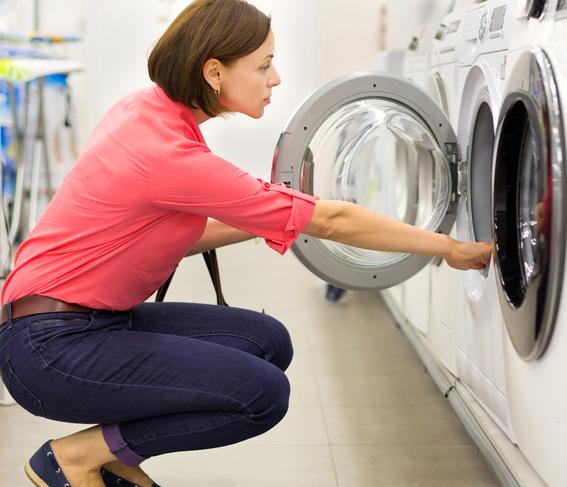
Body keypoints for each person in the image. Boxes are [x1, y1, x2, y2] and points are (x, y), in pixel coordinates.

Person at [0, 1, 492, 486]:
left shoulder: (147, 110)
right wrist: (447, 246)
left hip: (82, 321)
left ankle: (116, 456)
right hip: (51, 350)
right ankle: (77, 456)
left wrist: (273, 214)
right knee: (262, 394)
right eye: (263, 65)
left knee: (266, 342)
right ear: (214, 72)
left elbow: (164, 231)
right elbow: (336, 221)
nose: (274, 78)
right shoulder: (169, 153)